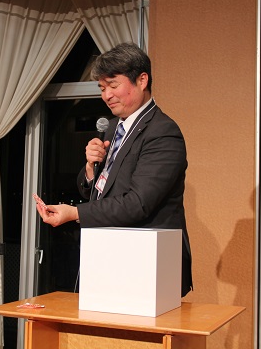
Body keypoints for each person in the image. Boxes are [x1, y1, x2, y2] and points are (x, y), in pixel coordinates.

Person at [36, 42, 192, 296]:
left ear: (142, 80)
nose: (106, 95)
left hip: (147, 265)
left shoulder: (162, 132)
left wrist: (74, 213)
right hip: (109, 256)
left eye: (113, 85)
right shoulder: (111, 128)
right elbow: (98, 191)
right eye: (102, 88)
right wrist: (90, 168)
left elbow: (138, 203)